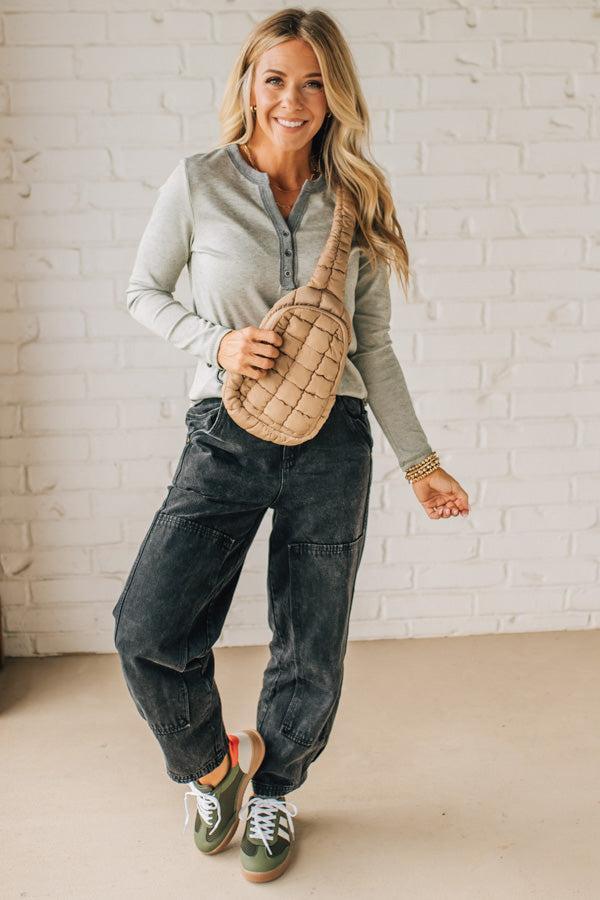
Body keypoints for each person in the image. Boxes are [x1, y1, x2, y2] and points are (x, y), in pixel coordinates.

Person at [112, 6, 470, 885]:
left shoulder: (359, 195)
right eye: (277, 78)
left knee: (310, 641)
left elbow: (371, 346)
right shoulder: (198, 181)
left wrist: (420, 462)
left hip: (333, 441)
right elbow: (141, 292)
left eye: (314, 81)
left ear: (336, 94)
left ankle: (276, 789)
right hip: (223, 431)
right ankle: (213, 769)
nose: (293, 98)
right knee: (148, 628)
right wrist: (220, 343)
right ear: (248, 83)